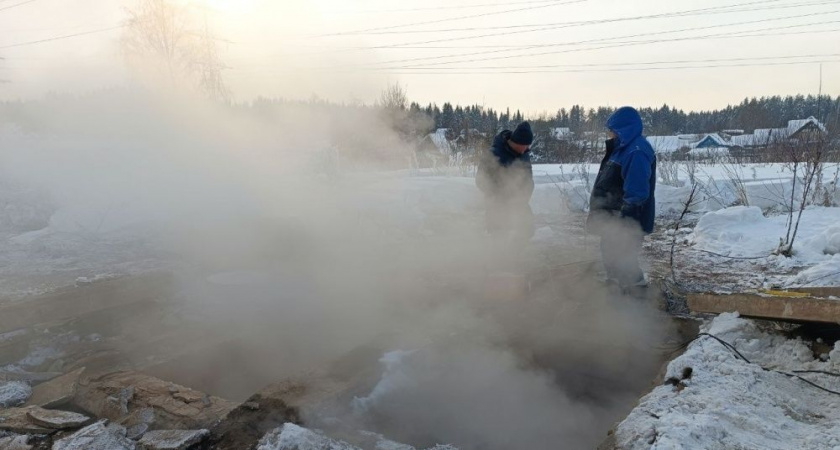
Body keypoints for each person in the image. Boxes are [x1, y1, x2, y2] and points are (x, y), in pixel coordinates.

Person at [588, 106, 657, 290]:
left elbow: (637, 190)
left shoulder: (636, 151)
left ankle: (637, 298)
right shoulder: (622, 149)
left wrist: (627, 220)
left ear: (623, 129)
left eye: (612, 130)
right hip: (612, 216)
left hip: (625, 217)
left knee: (624, 259)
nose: (609, 134)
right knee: (611, 254)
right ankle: (616, 293)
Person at [476, 121, 535, 242]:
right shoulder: (494, 154)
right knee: (499, 235)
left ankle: (515, 255)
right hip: (497, 204)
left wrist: (523, 198)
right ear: (516, 142)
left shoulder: (524, 154)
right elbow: (481, 180)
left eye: (527, 146)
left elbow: (528, 179)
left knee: (527, 230)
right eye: (523, 146)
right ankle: (499, 258)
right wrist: (499, 194)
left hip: (519, 203)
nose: (525, 149)